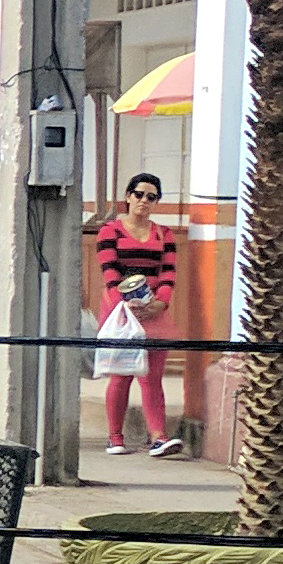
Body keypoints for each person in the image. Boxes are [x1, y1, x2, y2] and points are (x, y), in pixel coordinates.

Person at [92, 168, 181, 457]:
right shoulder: (110, 231)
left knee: (152, 375)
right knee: (121, 373)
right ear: (128, 197)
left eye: (151, 197)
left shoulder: (163, 234)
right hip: (121, 309)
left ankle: (158, 436)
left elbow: (168, 273)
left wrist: (159, 303)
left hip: (154, 308)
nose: (144, 201)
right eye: (139, 194)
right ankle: (115, 436)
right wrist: (126, 302)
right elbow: (110, 270)